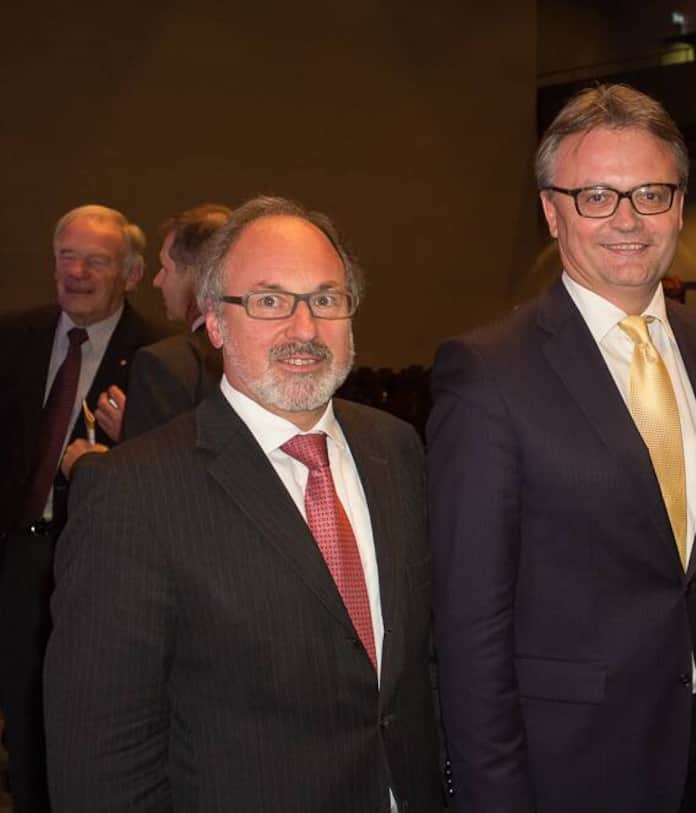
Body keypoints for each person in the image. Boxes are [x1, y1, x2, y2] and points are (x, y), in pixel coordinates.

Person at [428, 84, 696, 813]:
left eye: (649, 193)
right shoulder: (487, 372)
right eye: (595, 196)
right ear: (552, 211)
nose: (627, 220)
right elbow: (469, 621)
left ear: (678, 204)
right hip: (569, 766)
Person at [43, 196, 444, 812]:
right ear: (214, 321)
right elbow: (102, 759)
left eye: (325, 299)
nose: (304, 329)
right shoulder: (133, 494)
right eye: (268, 301)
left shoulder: (397, 449)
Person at [0, 204, 164, 812]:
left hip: (95, 567)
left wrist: (127, 442)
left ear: (132, 272)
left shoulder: (158, 357)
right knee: (19, 718)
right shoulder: (14, 336)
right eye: (67, 256)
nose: (77, 271)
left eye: (96, 260)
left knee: (72, 727)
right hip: (16, 555)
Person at [123, 203, 231, 438]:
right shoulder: (265, 350)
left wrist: (88, 461)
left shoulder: (164, 364)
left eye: (165, 268)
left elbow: (152, 470)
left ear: (196, 274)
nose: (157, 281)